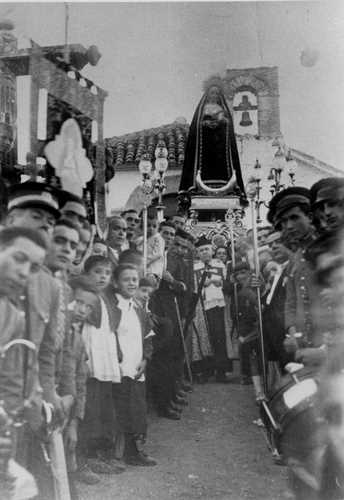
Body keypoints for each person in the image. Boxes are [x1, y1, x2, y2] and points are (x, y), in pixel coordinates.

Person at [0, 226, 48, 499]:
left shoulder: (11, 315)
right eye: (19, 258)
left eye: (33, 267)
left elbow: (9, 384)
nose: (24, 273)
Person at [80, 255, 124, 474]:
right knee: (91, 410)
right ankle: (88, 457)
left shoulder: (107, 299)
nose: (102, 277)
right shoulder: (83, 297)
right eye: (97, 272)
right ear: (86, 274)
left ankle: (103, 453)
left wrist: (117, 354)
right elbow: (79, 330)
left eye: (107, 273)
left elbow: (110, 330)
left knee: (106, 409)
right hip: (91, 360)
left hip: (105, 361)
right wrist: (83, 360)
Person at [111, 264, 157, 466]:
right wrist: (118, 360)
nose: (131, 283)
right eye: (126, 279)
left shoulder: (138, 309)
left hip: (136, 367)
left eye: (134, 279)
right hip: (119, 369)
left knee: (136, 410)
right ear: (116, 282)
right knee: (121, 411)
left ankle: (134, 450)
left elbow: (147, 337)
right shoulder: (113, 308)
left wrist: (146, 358)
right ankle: (119, 452)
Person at [179, 78, 245, 198]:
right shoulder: (202, 109)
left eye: (216, 93)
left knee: (220, 163)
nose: (214, 95)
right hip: (205, 146)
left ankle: (224, 182)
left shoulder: (223, 109)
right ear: (208, 94)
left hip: (220, 145)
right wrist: (205, 124)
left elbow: (227, 124)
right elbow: (197, 127)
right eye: (212, 93)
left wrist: (222, 122)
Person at [193, 235, 232, 383]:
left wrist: (219, 281)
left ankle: (221, 370)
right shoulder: (194, 267)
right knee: (204, 339)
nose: (204, 252)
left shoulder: (220, 265)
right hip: (201, 306)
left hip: (216, 305)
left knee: (218, 337)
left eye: (207, 249)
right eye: (201, 250)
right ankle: (206, 370)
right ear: (197, 252)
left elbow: (227, 285)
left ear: (212, 250)